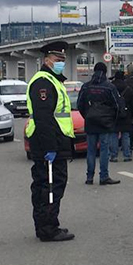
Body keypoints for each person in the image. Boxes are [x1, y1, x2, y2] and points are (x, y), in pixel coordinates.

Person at [25, 41, 76, 242]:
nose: (61, 63)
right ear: (46, 60)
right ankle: (47, 229)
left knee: (49, 186)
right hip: (48, 144)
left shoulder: (53, 81)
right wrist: (51, 147)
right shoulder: (43, 83)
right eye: (57, 59)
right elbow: (44, 117)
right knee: (49, 187)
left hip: (56, 142)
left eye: (63, 60)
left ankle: (48, 224)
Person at [76, 62, 122, 185]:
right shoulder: (109, 87)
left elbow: (79, 104)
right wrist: (112, 119)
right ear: (105, 72)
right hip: (105, 123)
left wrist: (87, 116)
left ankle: (89, 177)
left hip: (91, 122)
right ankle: (104, 176)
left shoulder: (86, 86)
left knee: (90, 150)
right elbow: (117, 105)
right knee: (104, 150)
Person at [110, 68, 133, 162]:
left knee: (114, 135)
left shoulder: (111, 87)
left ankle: (114, 156)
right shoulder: (128, 88)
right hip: (126, 115)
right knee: (125, 135)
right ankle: (127, 155)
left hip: (114, 114)